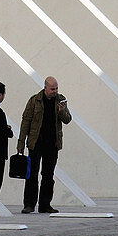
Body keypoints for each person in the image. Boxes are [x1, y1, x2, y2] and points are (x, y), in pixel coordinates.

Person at [17, 76, 72, 213]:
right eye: (52, 89)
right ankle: (29, 204)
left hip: (52, 143)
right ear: (45, 88)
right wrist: (21, 142)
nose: (55, 91)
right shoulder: (34, 100)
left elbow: (68, 120)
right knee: (32, 175)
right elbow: (26, 121)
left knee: (48, 175)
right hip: (36, 142)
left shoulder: (60, 100)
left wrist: (62, 111)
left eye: (56, 88)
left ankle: (45, 204)